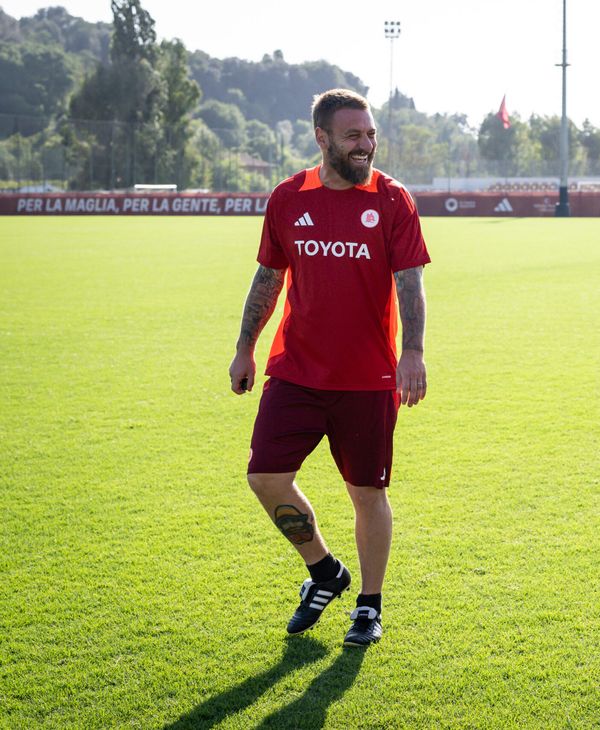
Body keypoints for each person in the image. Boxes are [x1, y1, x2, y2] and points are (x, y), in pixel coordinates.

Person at [228, 88, 430, 647]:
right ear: (322, 138)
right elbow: (268, 277)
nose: (365, 145)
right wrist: (246, 346)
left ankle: (369, 604)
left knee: (366, 491)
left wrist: (411, 351)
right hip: (295, 371)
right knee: (265, 476)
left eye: (369, 135)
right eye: (353, 136)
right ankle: (324, 570)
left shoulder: (392, 199)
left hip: (367, 378)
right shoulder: (289, 197)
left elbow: (410, 283)